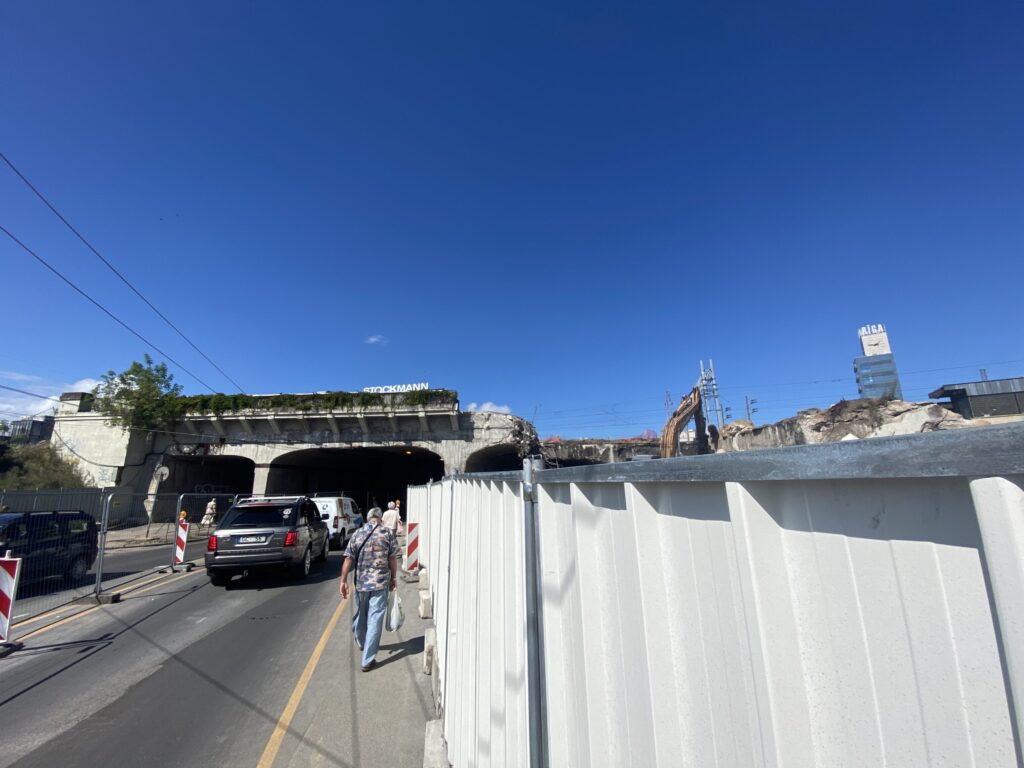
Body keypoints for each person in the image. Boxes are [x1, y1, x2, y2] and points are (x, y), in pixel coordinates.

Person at [340, 507, 398, 672]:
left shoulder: (357, 534)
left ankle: (362, 641)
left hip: (361, 584)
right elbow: (393, 558)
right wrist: (394, 577)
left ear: (367, 518)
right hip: (380, 584)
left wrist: (343, 581)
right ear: (380, 519)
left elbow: (348, 559)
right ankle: (367, 659)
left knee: (362, 614)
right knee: (375, 619)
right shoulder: (387, 534)